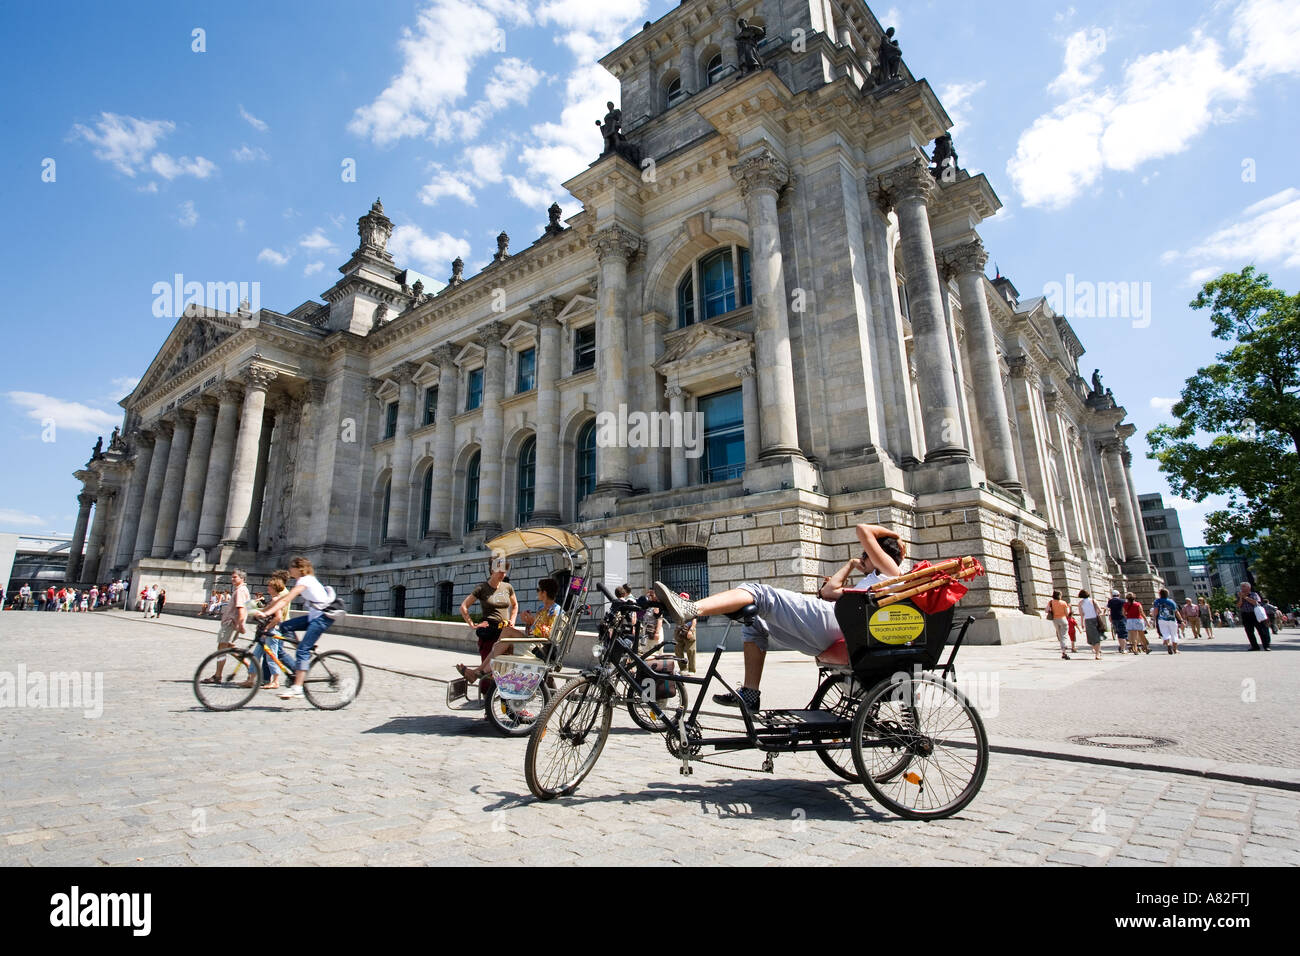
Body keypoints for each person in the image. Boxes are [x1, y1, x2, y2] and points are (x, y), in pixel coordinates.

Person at [654, 523, 904, 711]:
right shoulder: (874, 579)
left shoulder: (891, 572)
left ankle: (691, 609)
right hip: (832, 629)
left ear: (880, 554)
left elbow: (862, 529)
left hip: (833, 623)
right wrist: (850, 565)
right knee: (755, 624)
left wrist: (894, 536)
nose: (862, 557)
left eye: (865, 554)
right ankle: (750, 694)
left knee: (758, 592)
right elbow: (828, 592)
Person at [255, 556, 342, 699]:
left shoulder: (305, 580)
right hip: (314, 616)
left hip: (323, 618)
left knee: (302, 650)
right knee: (284, 626)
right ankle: (304, 649)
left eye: (291, 567)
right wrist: (265, 612)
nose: (289, 570)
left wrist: (267, 613)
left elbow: (287, 599)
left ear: (299, 568)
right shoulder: (302, 580)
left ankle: (298, 688)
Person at [456, 577, 562, 683]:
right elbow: (532, 632)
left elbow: (550, 634)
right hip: (535, 643)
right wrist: (529, 623)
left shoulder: (555, 610)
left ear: (544, 592)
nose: (537, 592)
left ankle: (481, 671)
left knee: (506, 633)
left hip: (541, 648)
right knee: (499, 643)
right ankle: (479, 671)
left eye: (538, 590)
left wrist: (533, 621)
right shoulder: (541, 609)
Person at [458, 560, 517, 688]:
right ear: (492, 570)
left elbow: (515, 605)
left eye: (505, 571)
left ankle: (477, 676)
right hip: (489, 632)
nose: (503, 574)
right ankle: (486, 697)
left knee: (502, 667)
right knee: (489, 668)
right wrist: (472, 624)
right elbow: (463, 607)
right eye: (500, 571)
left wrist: (512, 620)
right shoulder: (482, 588)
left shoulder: (507, 587)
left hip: (505, 631)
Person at [244, 573, 295, 690]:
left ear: (275, 588)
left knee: (272, 656)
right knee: (256, 655)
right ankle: (251, 679)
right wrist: (253, 608)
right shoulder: (273, 599)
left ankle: (276, 681)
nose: (267, 588)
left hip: (272, 631)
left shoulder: (277, 599)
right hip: (266, 631)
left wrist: (266, 628)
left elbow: (278, 617)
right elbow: (263, 610)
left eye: (269, 586)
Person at [200, 570, 250, 684]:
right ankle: (250, 666)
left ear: (242, 579)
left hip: (230, 624)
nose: (232, 579)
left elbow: (241, 608)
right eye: (232, 577)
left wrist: (240, 623)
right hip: (232, 624)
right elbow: (250, 607)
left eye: (235, 577)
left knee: (223, 648)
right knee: (227, 647)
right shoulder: (244, 590)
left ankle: (219, 675)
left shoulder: (240, 591)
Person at [1236, 582, 1270, 651]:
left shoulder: (1254, 594)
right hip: (1245, 614)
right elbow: (1238, 606)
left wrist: (1245, 597)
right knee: (1249, 631)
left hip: (1255, 614)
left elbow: (1256, 603)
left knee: (1261, 631)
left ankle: (1266, 646)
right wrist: (1241, 598)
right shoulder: (1239, 595)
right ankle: (1254, 646)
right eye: (1241, 587)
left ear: (1249, 587)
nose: (1242, 588)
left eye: (1244, 586)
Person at [1152, 588, 1182, 655]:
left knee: (1165, 633)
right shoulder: (1171, 601)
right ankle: (1175, 649)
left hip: (1162, 619)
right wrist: (1181, 620)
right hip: (1172, 619)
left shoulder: (1157, 601)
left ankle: (1168, 644)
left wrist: (1154, 619)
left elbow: (1156, 611)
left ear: (1159, 594)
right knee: (1174, 634)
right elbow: (1176, 612)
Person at [673, 595, 698, 673]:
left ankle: (691, 670)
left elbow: (694, 620)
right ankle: (683, 669)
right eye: (681, 598)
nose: (682, 599)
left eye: (684, 598)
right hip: (679, 630)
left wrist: (691, 630)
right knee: (678, 650)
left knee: (691, 650)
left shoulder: (691, 607)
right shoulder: (677, 607)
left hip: (688, 630)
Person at [1078, 590, 1104, 660]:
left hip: (1087, 621)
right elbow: (1100, 610)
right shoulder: (1093, 600)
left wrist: (1082, 623)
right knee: (1096, 636)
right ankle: (1098, 652)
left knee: (1092, 637)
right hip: (1095, 619)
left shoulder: (1080, 603)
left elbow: (1081, 614)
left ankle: (1097, 652)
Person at [1046, 590, 1071, 660]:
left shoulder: (1051, 602)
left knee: (1060, 635)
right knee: (1064, 635)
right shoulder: (1063, 603)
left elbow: (1046, 610)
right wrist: (1068, 607)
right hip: (1063, 620)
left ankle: (1063, 651)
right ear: (1059, 595)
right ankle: (1064, 647)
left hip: (1055, 620)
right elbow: (1067, 614)